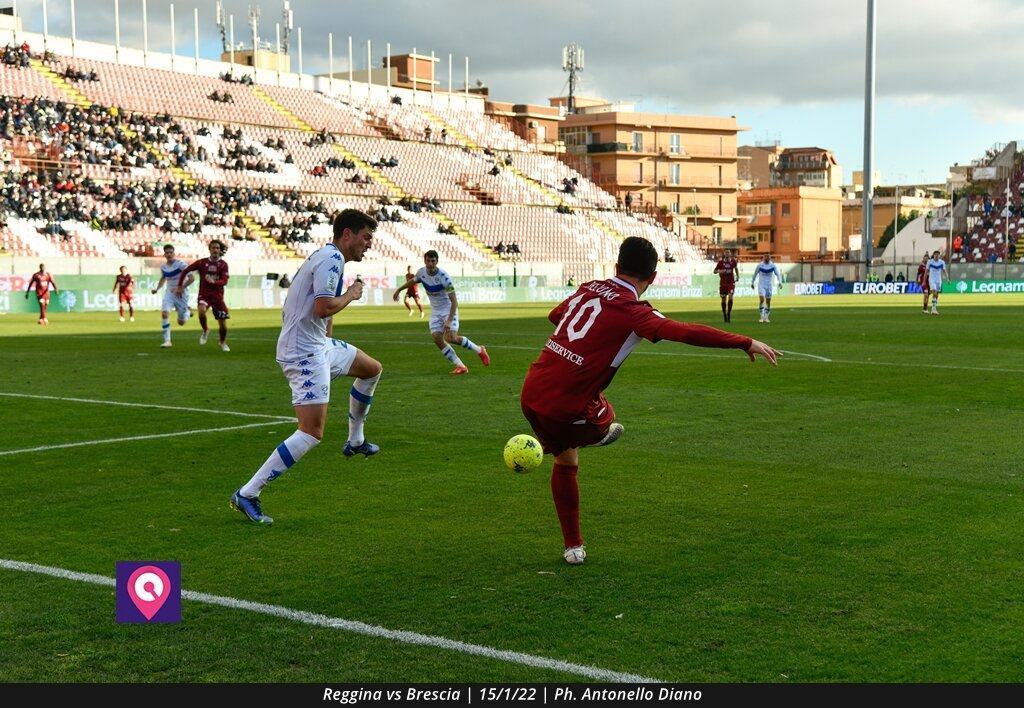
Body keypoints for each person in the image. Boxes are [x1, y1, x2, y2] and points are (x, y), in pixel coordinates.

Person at [520, 237, 779, 564]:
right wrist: (743, 341)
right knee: (604, 416)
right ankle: (590, 435)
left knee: (567, 461)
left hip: (531, 392)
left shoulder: (587, 288)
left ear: (617, 266)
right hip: (569, 407)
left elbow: (556, 315)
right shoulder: (636, 313)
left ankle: (573, 546)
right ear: (653, 277)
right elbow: (685, 331)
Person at [231, 209, 382, 525]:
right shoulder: (332, 259)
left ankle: (355, 440)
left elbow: (323, 313)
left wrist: (328, 342)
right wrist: (352, 294)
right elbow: (324, 306)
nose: (369, 243)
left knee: (371, 369)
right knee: (311, 432)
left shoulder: (330, 257)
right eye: (366, 237)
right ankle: (248, 493)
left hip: (318, 347)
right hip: (303, 353)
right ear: (347, 234)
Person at [391, 250, 490, 374]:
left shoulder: (444, 277)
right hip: (435, 311)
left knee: (451, 338)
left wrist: (449, 320)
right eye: (428, 261)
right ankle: (461, 366)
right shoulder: (421, 272)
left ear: (437, 261)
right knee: (437, 338)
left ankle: (479, 350)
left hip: (448, 309)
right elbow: (414, 280)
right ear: (425, 261)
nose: (430, 264)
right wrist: (399, 289)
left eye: (433, 261)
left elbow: (454, 301)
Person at [178, 239, 231, 351]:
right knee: (201, 311)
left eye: (217, 248)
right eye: (213, 248)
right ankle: (206, 330)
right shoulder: (202, 263)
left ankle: (222, 342)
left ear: (220, 250)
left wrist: (214, 282)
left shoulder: (223, 265)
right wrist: (180, 286)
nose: (215, 250)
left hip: (217, 297)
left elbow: (225, 281)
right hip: (204, 294)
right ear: (209, 249)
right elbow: (185, 271)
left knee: (222, 324)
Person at [152, 244, 194, 348]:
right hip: (169, 293)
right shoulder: (163, 267)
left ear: (174, 253)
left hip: (181, 294)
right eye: (167, 253)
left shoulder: (181, 264)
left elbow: (192, 278)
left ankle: (187, 312)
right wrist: (157, 289)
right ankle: (167, 341)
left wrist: (181, 287)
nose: (169, 254)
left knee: (181, 322)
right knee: (165, 314)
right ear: (164, 254)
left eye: (171, 252)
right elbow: (163, 278)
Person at [750, 253, 783, 323]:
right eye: (765, 257)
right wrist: (752, 282)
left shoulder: (772, 265)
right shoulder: (760, 265)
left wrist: (780, 282)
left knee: (768, 302)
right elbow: (755, 274)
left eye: (768, 257)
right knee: (762, 300)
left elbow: (778, 274)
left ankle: (766, 317)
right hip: (761, 285)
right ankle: (761, 317)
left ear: (770, 258)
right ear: (763, 258)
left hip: (769, 286)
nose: (766, 258)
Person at [713, 249, 739, 322]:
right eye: (726, 252)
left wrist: (738, 276)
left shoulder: (733, 261)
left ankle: (729, 313)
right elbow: (714, 271)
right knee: (723, 299)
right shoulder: (720, 263)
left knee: (730, 296)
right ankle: (724, 314)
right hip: (723, 283)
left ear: (730, 254)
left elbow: (736, 268)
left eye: (728, 252)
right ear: (724, 254)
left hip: (731, 282)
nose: (727, 253)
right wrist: (719, 271)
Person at [926, 250, 947, 315]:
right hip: (932, 279)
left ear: (939, 255)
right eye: (935, 254)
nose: (937, 255)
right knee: (934, 292)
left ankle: (934, 308)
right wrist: (924, 280)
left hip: (938, 280)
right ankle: (933, 309)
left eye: (938, 254)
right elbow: (926, 271)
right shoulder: (930, 262)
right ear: (933, 255)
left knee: (937, 294)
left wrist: (947, 279)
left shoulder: (942, 262)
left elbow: (944, 271)